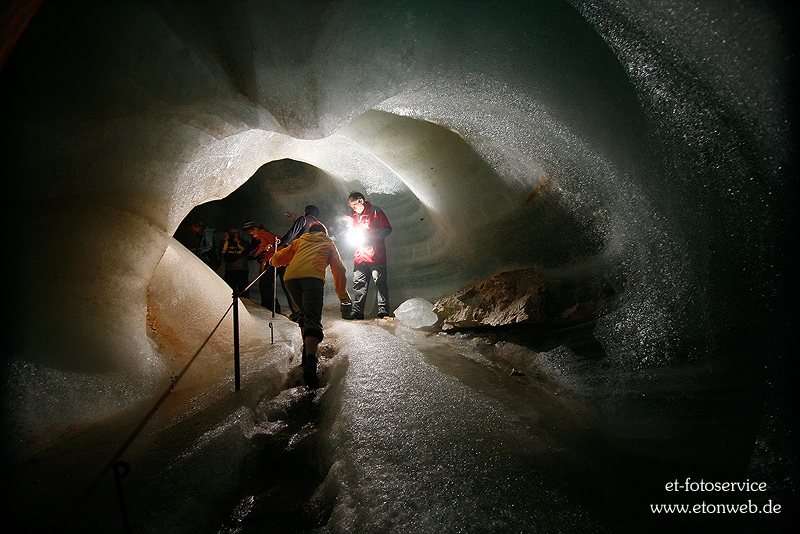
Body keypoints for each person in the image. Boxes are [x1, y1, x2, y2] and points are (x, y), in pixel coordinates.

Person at [270, 222, 351, 389]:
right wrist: (343, 296)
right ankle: (311, 365)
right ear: (324, 232)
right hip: (312, 279)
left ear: (310, 231)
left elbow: (280, 258)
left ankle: (307, 356)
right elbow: (339, 269)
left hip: (291, 279)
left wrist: (272, 260)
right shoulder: (328, 243)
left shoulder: (300, 241)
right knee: (312, 319)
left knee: (303, 316)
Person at [346, 192, 392, 319]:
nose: (353, 208)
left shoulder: (375, 211)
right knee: (359, 283)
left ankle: (383, 311)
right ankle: (357, 312)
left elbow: (387, 229)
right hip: (360, 256)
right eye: (351, 206)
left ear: (361, 200)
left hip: (375, 255)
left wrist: (369, 235)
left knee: (380, 282)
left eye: (354, 205)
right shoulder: (353, 215)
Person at [276, 205, 321, 321]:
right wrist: (294, 221)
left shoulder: (303, 219)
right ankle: (308, 312)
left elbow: (291, 234)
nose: (302, 212)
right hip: (312, 257)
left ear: (307, 212)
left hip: (300, 255)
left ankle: (298, 311)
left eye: (304, 210)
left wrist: (279, 243)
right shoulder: (318, 224)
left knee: (291, 282)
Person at [243, 221, 281, 313]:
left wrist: (254, 256)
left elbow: (261, 247)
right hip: (282, 259)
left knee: (266, 285)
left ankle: (271, 307)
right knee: (272, 284)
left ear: (254, 229)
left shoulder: (261, 236)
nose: (249, 234)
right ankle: (272, 306)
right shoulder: (271, 234)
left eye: (250, 231)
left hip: (273, 260)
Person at [222, 228, 250, 299]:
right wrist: (226, 241)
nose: (234, 235)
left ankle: (245, 303)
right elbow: (222, 252)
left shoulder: (244, 242)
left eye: (236, 233)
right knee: (230, 289)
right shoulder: (226, 242)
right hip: (230, 269)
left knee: (243, 289)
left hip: (242, 269)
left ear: (239, 234)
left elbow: (247, 251)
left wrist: (237, 241)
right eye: (232, 233)